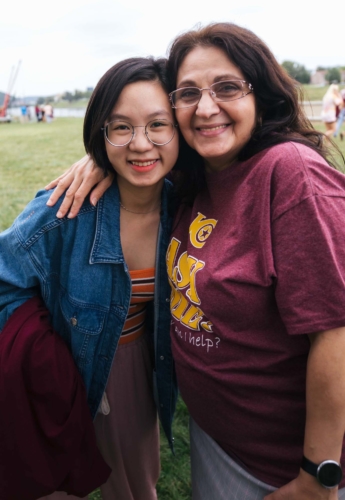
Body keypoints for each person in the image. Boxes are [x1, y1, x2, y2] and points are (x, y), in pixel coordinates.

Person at [44, 22, 345, 500]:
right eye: (188, 94)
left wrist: (318, 474)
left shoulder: (289, 173)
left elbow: (335, 331)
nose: (206, 108)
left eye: (227, 88)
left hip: (279, 464)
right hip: (217, 437)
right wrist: (103, 156)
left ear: (261, 95)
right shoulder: (198, 176)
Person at [0, 57, 179, 500]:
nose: (141, 144)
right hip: (64, 367)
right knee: (52, 482)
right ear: (100, 132)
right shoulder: (65, 208)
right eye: (121, 127)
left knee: (135, 486)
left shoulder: (194, 202)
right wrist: (43, 355)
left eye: (158, 124)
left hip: (137, 366)